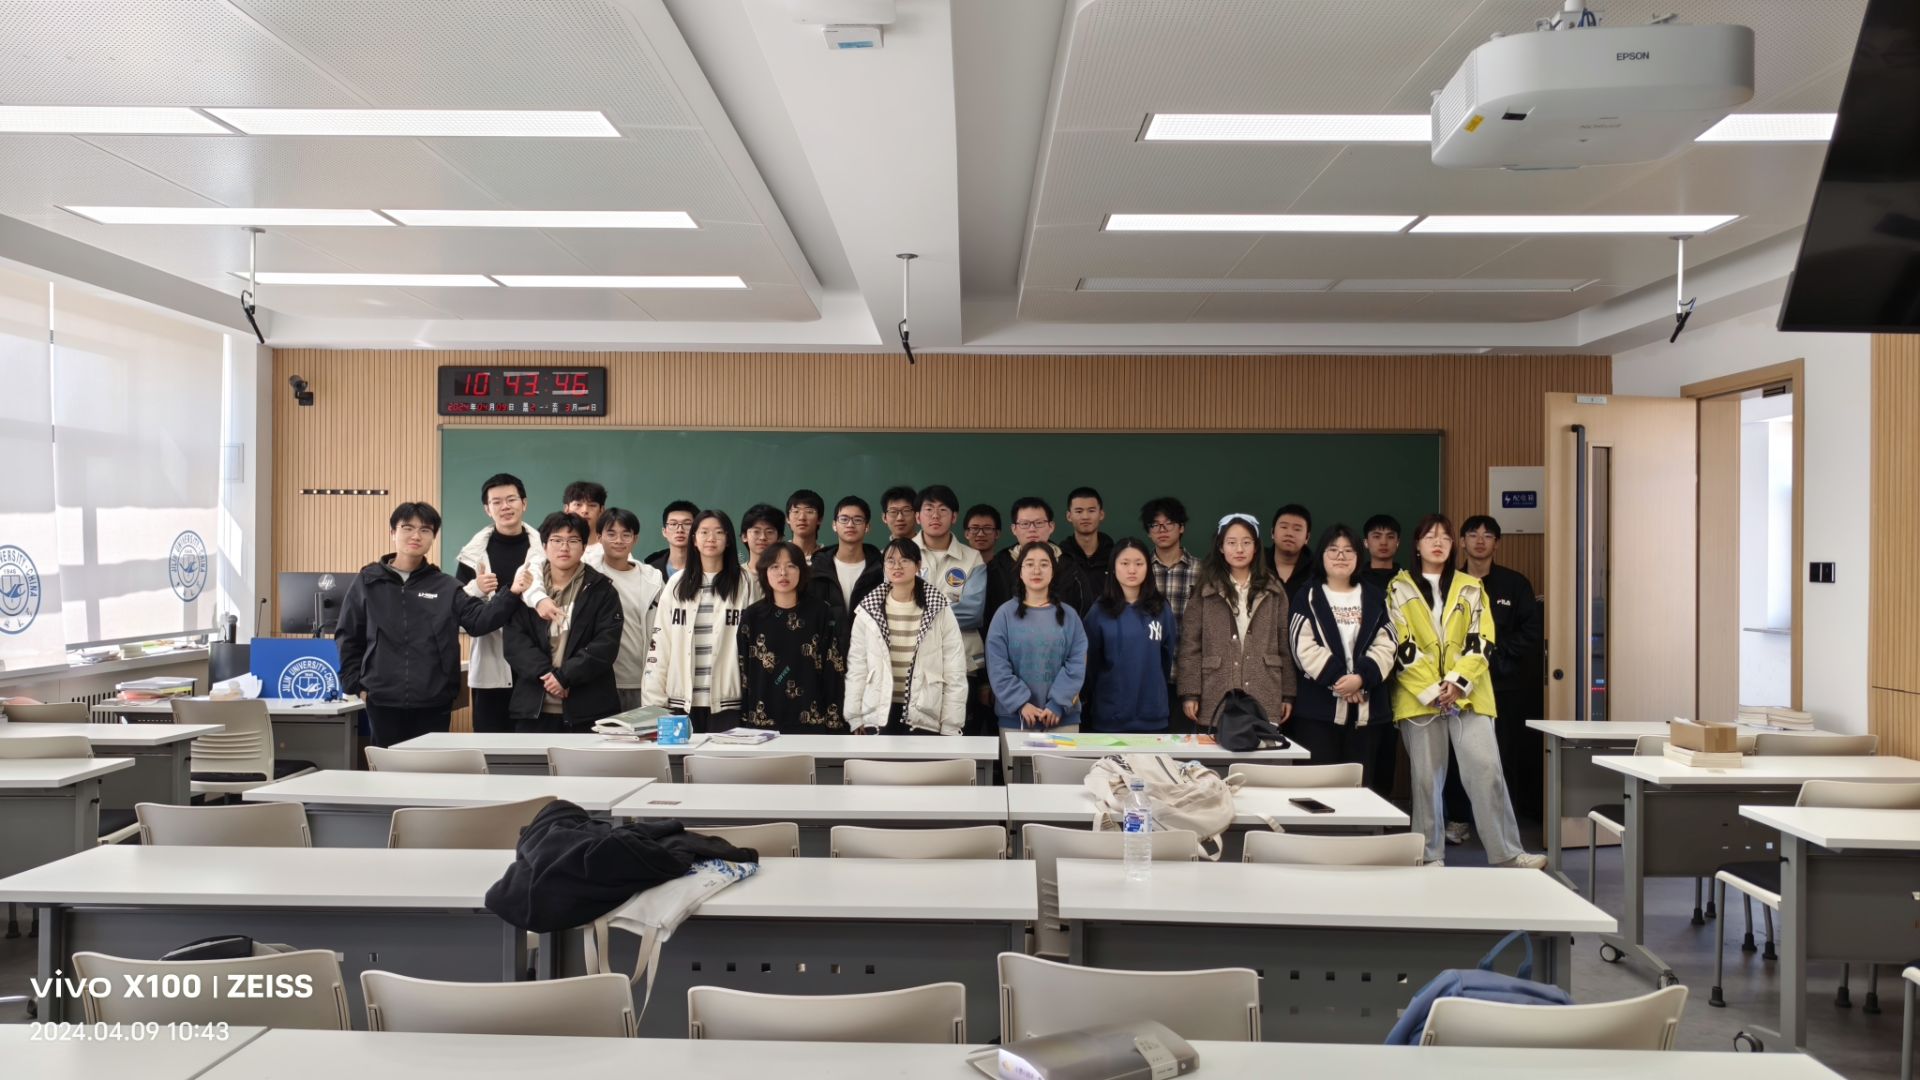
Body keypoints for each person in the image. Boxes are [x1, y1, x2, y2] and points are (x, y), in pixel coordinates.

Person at [1386, 514, 1544, 868]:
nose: (1438, 542)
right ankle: (1429, 856)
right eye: (1430, 536)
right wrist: (1431, 688)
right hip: (1419, 699)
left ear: (1452, 545)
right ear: (1417, 545)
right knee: (1425, 781)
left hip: (1469, 696)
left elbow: (1483, 639)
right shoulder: (1399, 588)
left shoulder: (1471, 587)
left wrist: (1457, 682)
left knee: (1487, 770)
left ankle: (1508, 853)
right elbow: (1401, 643)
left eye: (1444, 537)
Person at [337, 501, 519, 747]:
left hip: (435, 700)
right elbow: (348, 635)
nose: (416, 536)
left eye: (425, 530)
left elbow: (478, 622)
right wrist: (355, 685)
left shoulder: (446, 586)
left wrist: (512, 593)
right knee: (388, 766)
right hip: (381, 699)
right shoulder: (368, 582)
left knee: (431, 767)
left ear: (433, 537)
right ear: (392, 532)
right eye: (407, 528)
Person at [1288, 525, 1398, 797]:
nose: (1341, 556)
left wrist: (1361, 679)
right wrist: (1340, 681)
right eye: (1333, 550)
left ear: (1359, 556)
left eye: (1348, 551)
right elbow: (1302, 646)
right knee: (1318, 791)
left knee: (1361, 790)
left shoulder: (1375, 595)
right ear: (1322, 555)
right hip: (1318, 713)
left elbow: (1388, 643)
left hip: (1367, 713)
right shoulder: (1307, 596)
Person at [502, 512, 624, 733]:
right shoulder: (527, 590)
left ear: (584, 547)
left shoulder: (602, 591)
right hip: (533, 708)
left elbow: (606, 645)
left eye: (573, 540)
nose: (564, 547)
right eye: (557, 540)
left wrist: (564, 677)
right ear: (544, 545)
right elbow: (515, 643)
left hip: (589, 709)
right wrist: (548, 677)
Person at [1461, 514, 1546, 816]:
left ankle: (1503, 817)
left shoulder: (1515, 583)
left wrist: (1494, 656)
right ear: (1462, 542)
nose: (1480, 541)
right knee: (1463, 753)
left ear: (1497, 543)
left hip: (1504, 684)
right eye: (1473, 534)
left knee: (1504, 752)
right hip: (1461, 686)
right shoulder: (1450, 583)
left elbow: (1531, 632)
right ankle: (1461, 817)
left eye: (1488, 535)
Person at [1176, 515, 1295, 730]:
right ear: (1221, 547)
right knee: (1215, 746)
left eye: (1246, 542)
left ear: (1256, 547)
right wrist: (1190, 693)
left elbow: (1284, 644)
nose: (1239, 549)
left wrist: (1287, 694)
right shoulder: (1206, 589)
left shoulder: (1273, 589)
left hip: (1264, 685)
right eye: (1231, 542)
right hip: (1216, 687)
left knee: (1261, 746)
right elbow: (1190, 644)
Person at [844, 538, 967, 735]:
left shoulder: (939, 608)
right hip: (878, 713)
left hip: (924, 714)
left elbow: (955, 669)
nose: (897, 566)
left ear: (918, 565)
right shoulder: (868, 610)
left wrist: (952, 724)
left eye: (905, 560)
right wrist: (854, 717)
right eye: (890, 560)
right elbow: (857, 667)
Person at [644, 510, 754, 732]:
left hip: (729, 702)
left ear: (728, 540)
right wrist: (654, 703)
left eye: (718, 532)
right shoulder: (676, 583)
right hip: (681, 703)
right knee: (682, 755)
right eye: (704, 532)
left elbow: (754, 646)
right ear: (694, 539)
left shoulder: (744, 583)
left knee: (725, 756)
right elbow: (660, 644)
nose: (711, 538)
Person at [454, 473, 539, 733]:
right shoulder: (471, 556)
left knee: (535, 746)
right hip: (491, 664)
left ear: (524, 503)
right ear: (487, 509)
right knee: (490, 744)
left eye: (511, 499)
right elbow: (461, 614)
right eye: (496, 502)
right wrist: (476, 588)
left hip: (535, 665)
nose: (505, 507)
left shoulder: (546, 550)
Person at [738, 541, 847, 733]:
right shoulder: (752, 616)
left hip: (812, 720)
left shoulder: (821, 613)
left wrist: (834, 721)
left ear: (802, 571)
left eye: (791, 566)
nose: (783, 573)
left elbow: (833, 668)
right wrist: (745, 719)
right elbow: (744, 672)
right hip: (763, 722)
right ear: (764, 572)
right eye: (775, 567)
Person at [986, 542, 1089, 732]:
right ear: (1020, 571)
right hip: (1016, 719)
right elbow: (997, 665)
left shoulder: (1069, 615)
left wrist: (1057, 703)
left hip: (1062, 718)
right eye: (1029, 564)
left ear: (1053, 571)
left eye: (1044, 564)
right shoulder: (1004, 614)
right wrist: (1020, 703)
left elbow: (1077, 663)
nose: (1036, 570)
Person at [913, 484, 989, 733]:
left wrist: (920, 613)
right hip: (914, 665)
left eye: (943, 510)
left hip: (961, 664)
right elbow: (896, 607)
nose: (935, 516)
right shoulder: (900, 554)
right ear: (918, 516)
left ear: (954, 517)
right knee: (917, 739)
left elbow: (972, 613)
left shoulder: (972, 558)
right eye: (929, 509)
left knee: (959, 737)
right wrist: (947, 607)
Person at [1082, 539, 1177, 733]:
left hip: (1153, 714)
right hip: (1110, 716)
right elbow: (1090, 663)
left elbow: (1166, 658)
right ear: (1113, 568)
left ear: (1148, 568)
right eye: (1124, 563)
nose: (1132, 570)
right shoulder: (1099, 610)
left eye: (1139, 563)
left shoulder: (1161, 608)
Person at [585, 507, 664, 712]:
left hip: (645, 681)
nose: (618, 540)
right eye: (611, 534)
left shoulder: (653, 579)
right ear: (599, 537)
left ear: (635, 539)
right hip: (601, 681)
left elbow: (665, 629)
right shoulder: (587, 575)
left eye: (626, 534)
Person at [985, 496, 1092, 620]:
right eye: (1025, 524)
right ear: (1014, 529)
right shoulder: (997, 567)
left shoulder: (1071, 567)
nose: (1032, 529)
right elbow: (988, 616)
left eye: (1039, 523)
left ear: (1051, 527)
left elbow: (1084, 614)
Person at [809, 495, 883, 652]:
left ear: (867, 527)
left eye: (857, 520)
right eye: (844, 519)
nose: (850, 525)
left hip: (869, 652)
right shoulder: (817, 570)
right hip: (827, 653)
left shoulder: (881, 569)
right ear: (834, 525)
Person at [1058, 487, 1116, 597]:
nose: (1085, 517)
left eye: (1091, 511)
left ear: (1101, 514)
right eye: (1079, 511)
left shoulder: (1116, 557)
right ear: (1069, 516)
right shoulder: (1059, 558)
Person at [1269, 504, 1314, 598]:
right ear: (1272, 532)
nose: (1289, 533)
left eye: (1297, 529)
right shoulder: (1257, 563)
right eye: (1284, 527)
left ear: (1307, 537)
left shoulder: (1317, 570)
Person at [644, 500, 697, 580]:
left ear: (697, 530)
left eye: (687, 524)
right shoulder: (650, 570)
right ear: (664, 531)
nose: (680, 530)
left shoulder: (708, 567)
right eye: (673, 524)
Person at [740, 503, 786, 587]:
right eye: (756, 531)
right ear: (744, 536)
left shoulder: (785, 575)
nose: (762, 537)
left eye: (769, 532)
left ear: (779, 538)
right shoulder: (734, 576)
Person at [1360, 514, 1402, 591]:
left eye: (1390, 537)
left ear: (1398, 542)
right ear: (1366, 542)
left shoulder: (1407, 579)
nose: (1383, 542)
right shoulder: (1355, 580)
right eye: (1377, 537)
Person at [563, 480, 608, 550]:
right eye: (578, 504)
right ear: (566, 509)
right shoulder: (552, 548)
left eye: (592, 505)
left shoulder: (610, 549)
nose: (585, 510)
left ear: (601, 511)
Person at [786, 489, 826, 560]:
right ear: (787, 519)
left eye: (809, 511)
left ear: (820, 519)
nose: (802, 518)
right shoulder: (777, 556)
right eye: (796, 511)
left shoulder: (828, 558)